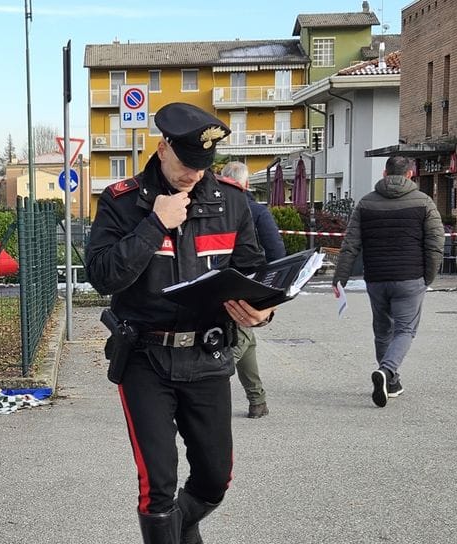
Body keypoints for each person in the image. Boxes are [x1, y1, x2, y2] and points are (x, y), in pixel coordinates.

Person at [85, 103, 275, 544]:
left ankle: (175, 528)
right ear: (162, 147)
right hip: (145, 358)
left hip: (207, 355)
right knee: (159, 487)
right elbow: (102, 277)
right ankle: (168, 526)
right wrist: (155, 224)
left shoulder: (231, 200)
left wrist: (263, 310)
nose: (194, 173)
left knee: (214, 479)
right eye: (187, 162)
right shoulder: (122, 201)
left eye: (203, 164)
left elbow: (253, 271)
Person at [332, 155, 444, 408]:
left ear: (384, 174)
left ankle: (391, 383)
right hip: (410, 277)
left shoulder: (366, 203)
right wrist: (429, 276)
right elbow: (436, 244)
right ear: (410, 175)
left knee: (382, 330)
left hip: (376, 279)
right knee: (405, 330)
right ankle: (387, 371)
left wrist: (340, 279)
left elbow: (350, 245)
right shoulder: (424, 202)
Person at [219, 161, 286, 419]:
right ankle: (257, 399)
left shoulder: (216, 207)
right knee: (244, 339)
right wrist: (273, 292)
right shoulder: (257, 210)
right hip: (251, 285)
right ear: (246, 184)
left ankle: (253, 398)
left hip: (220, 283)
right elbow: (277, 253)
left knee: (241, 338)